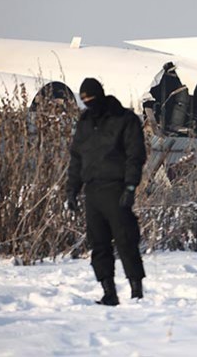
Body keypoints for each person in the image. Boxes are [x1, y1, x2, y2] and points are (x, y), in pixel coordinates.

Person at [66, 78, 147, 306]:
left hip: (116, 188)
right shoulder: (84, 122)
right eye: (84, 100)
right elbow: (76, 159)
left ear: (100, 95)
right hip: (92, 191)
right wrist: (72, 190)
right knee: (98, 244)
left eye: (91, 98)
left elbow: (135, 155)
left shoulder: (124, 119)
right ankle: (108, 291)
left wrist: (131, 186)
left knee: (126, 240)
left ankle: (136, 290)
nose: (88, 103)